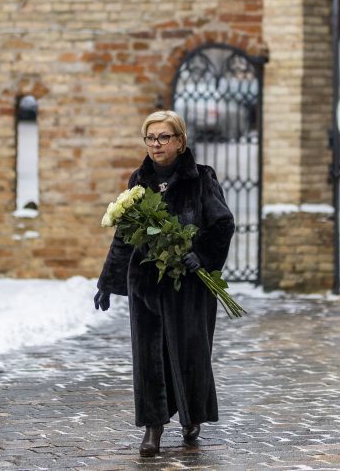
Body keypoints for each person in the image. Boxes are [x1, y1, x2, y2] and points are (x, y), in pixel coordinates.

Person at [93, 110, 235, 457]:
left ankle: (191, 418)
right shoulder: (138, 182)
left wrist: (200, 256)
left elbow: (223, 224)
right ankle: (153, 428)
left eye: (164, 137)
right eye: (150, 138)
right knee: (149, 358)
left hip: (187, 285)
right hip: (147, 284)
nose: (156, 144)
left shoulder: (201, 179)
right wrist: (108, 281)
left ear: (180, 141)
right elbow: (125, 236)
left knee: (189, 355)